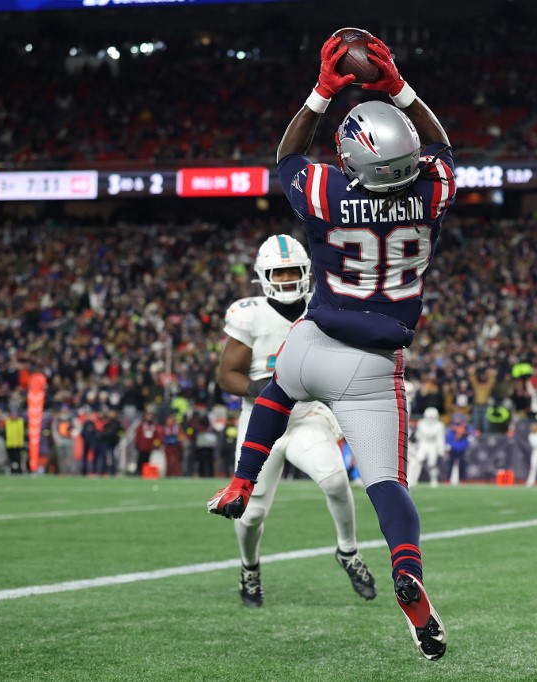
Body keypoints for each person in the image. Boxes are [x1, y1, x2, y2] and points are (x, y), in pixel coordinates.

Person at [208, 32, 454, 661]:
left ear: (351, 160)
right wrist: (396, 85)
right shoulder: (432, 194)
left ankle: (240, 483)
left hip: (315, 341)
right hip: (374, 366)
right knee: (386, 485)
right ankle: (406, 569)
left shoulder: (327, 191)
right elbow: (443, 148)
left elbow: (287, 158)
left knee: (276, 390)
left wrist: (324, 91)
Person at [214, 233, 377, 608]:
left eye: (293, 271)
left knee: (336, 479)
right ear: (263, 276)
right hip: (261, 420)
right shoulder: (249, 313)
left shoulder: (323, 306)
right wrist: (268, 387)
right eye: (279, 272)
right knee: (251, 513)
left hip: (306, 416)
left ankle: (349, 552)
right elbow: (227, 376)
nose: (287, 279)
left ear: (307, 271)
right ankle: (249, 568)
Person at [407, 407, 446, 488]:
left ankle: (433, 480)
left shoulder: (439, 426)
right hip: (423, 444)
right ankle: (413, 480)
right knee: (418, 461)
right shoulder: (421, 423)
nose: (430, 419)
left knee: (432, 464)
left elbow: (440, 439)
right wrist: (416, 445)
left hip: (433, 445)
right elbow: (418, 435)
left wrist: (440, 450)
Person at [445, 412, 476, 486]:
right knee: (450, 464)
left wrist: (468, 437)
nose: (457, 420)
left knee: (462, 464)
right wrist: (447, 445)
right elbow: (448, 437)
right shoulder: (451, 427)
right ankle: (448, 479)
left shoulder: (466, 427)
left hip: (462, 448)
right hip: (453, 448)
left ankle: (463, 479)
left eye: (458, 418)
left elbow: (472, 435)